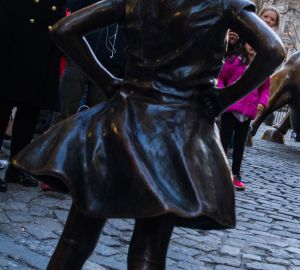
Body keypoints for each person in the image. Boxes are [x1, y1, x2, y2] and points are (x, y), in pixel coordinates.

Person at [11, 0, 285, 269]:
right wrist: (225, 98)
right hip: (177, 134)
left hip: (119, 122)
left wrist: (106, 80)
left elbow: (64, 29)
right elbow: (273, 49)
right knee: (149, 249)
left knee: (75, 237)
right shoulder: (225, 4)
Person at [0, 0, 67, 192]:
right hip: (13, 37)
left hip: (42, 42)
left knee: (31, 109)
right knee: (3, 106)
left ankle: (18, 166)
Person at [218, 42, 270, 190]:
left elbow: (265, 87)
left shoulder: (262, 64)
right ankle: (218, 171)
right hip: (231, 107)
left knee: (240, 146)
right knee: (223, 141)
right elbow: (222, 77)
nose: (252, 46)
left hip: (248, 112)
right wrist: (223, 93)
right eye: (249, 42)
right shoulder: (235, 59)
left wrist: (262, 102)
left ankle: (235, 174)